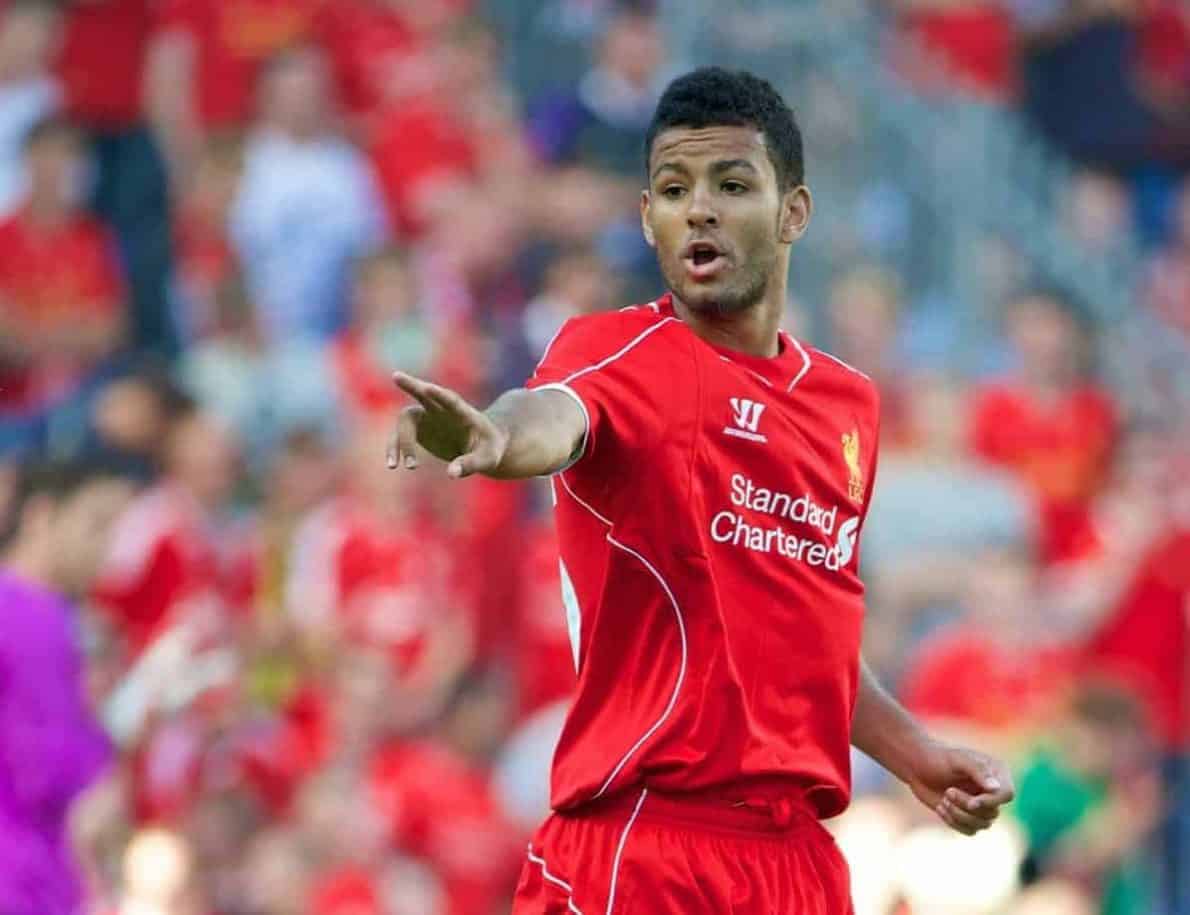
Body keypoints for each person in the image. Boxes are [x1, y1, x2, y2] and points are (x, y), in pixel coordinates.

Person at [387, 67, 1015, 913]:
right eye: (675, 189)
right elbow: (551, 416)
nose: (701, 209)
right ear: (650, 220)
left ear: (793, 211)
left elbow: (803, 634)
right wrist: (495, 437)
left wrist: (914, 754)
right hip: (642, 847)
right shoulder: (616, 353)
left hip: (796, 864)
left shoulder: (847, 406)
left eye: (731, 184)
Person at [0, 461, 134, 915]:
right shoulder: (36, 616)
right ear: (42, 517)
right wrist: (109, 743)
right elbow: (46, 769)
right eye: (95, 524)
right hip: (23, 879)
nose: (106, 550)